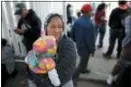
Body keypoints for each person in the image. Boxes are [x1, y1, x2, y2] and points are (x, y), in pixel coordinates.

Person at [28, 13, 77, 87]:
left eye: (60, 27)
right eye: (53, 27)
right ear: (46, 28)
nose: (57, 30)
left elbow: (65, 71)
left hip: (62, 82)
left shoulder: (69, 44)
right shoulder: (40, 43)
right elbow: (32, 67)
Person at [71, 4, 96, 84]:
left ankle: (84, 69)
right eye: (91, 11)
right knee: (82, 63)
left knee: (84, 59)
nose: (92, 12)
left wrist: (77, 40)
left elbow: (72, 34)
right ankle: (73, 78)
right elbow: (91, 40)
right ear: (87, 12)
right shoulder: (90, 24)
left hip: (79, 45)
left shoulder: (77, 21)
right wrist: (92, 50)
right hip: (86, 47)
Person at [107, 7, 131, 86]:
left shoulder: (126, 16)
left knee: (123, 61)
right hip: (127, 44)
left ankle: (115, 78)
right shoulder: (128, 18)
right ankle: (112, 77)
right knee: (122, 61)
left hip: (122, 37)